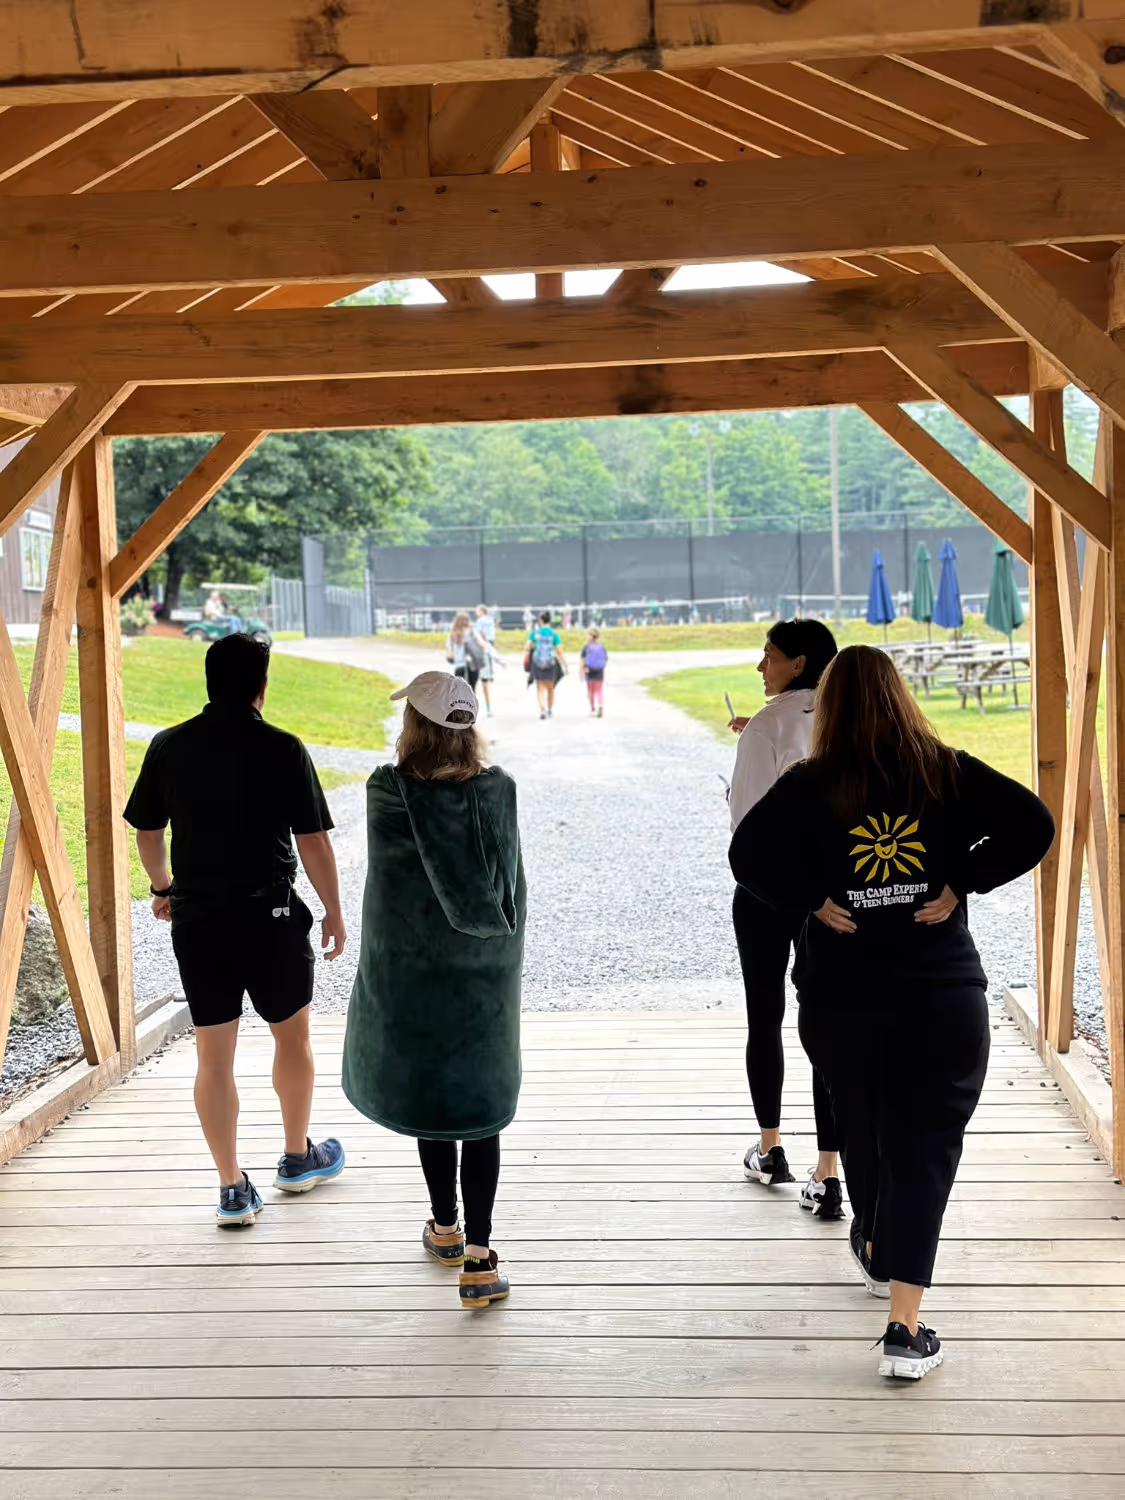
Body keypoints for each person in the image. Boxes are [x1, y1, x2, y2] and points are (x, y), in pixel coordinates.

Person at [730, 645, 1053, 1380]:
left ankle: (877, 1244)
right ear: (902, 697)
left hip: (842, 994)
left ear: (832, 706)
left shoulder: (809, 782)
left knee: (866, 1120)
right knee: (925, 1144)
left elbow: (748, 857)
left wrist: (812, 896)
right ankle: (902, 1327)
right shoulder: (943, 769)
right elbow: (1032, 824)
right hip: (938, 991)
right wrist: (959, 880)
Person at [124, 635, 347, 1226]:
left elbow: (147, 832)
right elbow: (314, 840)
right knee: (290, 1039)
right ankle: (297, 1158)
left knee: (213, 1056)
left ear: (207, 682)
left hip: (198, 920)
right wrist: (333, 911)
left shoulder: (169, 746)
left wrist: (163, 886)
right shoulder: (282, 748)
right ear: (261, 686)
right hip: (270, 917)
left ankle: (231, 1188)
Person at [343, 672, 524, 1308]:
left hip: (413, 976)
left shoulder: (386, 791)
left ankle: (444, 1229)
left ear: (413, 726)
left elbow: (390, 891)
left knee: (433, 1098)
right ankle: (480, 1257)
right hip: (483, 979)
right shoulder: (498, 790)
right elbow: (511, 886)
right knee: (478, 1108)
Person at [728, 618, 841, 1213]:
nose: (760, 666)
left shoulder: (767, 725)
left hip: (770, 891)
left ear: (798, 663)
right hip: (835, 897)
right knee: (826, 1020)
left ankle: (771, 1147)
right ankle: (829, 1170)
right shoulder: (847, 718)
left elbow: (745, 826)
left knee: (765, 1014)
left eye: (768, 655)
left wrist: (751, 748)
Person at [525, 610, 567, 720]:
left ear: (540, 620)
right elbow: (559, 651)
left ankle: (542, 709)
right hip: (550, 664)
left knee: (540, 688)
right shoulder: (554, 634)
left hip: (537, 663)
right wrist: (565, 665)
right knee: (551, 688)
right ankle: (549, 710)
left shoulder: (535, 633)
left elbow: (527, 647)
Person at [446, 611, 481, 691]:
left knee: (460, 689)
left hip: (459, 665)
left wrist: (452, 658)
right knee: (472, 688)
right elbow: (480, 642)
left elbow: (449, 651)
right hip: (473, 663)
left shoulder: (453, 633)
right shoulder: (472, 630)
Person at [579, 626, 608, 717]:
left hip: (589, 670)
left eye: (588, 635)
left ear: (591, 636)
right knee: (599, 690)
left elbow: (583, 661)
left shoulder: (586, 647)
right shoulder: (602, 647)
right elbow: (605, 659)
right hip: (599, 670)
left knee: (591, 691)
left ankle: (592, 709)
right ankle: (600, 705)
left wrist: (581, 672)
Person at [474, 604, 497, 716]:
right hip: (490, 644)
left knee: (481, 680)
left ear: (482, 611)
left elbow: (477, 635)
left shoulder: (480, 621)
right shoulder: (491, 620)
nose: (475, 613)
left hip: (481, 647)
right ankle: (490, 674)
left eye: (477, 611)